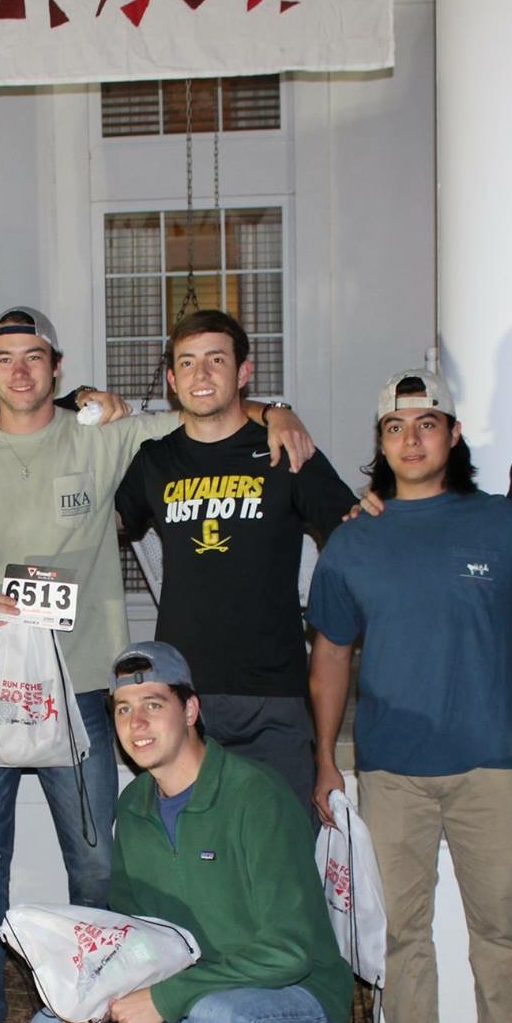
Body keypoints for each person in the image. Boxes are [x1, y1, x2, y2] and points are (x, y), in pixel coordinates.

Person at [0, 305, 314, 1023]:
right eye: (6, 358)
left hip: (87, 688)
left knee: (96, 858)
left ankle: (102, 1001)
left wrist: (277, 409)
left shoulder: (103, 439)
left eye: (35, 355)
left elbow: (202, 407)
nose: (21, 370)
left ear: (57, 367)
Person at [24, 641, 352, 1023]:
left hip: (293, 997)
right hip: (196, 988)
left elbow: (290, 950)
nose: (137, 722)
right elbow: (133, 936)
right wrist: (97, 997)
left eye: (153, 704)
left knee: (217, 1016)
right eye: (123, 709)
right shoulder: (134, 808)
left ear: (191, 710)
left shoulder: (256, 797)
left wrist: (166, 997)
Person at [306, 368, 512, 1023]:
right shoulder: (354, 539)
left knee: (500, 923)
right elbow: (332, 657)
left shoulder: (501, 523)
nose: (412, 439)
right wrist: (325, 758)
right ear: (381, 443)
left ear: (453, 434)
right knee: (403, 931)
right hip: (392, 768)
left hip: (488, 761)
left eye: (427, 423)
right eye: (396, 428)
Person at [113, 309, 359, 816]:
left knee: (281, 853)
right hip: (183, 696)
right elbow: (103, 526)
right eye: (188, 363)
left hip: (274, 695)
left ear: (244, 373)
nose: (201, 375)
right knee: (195, 858)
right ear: (172, 380)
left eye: (216, 360)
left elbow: (351, 533)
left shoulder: (285, 449)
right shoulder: (154, 460)